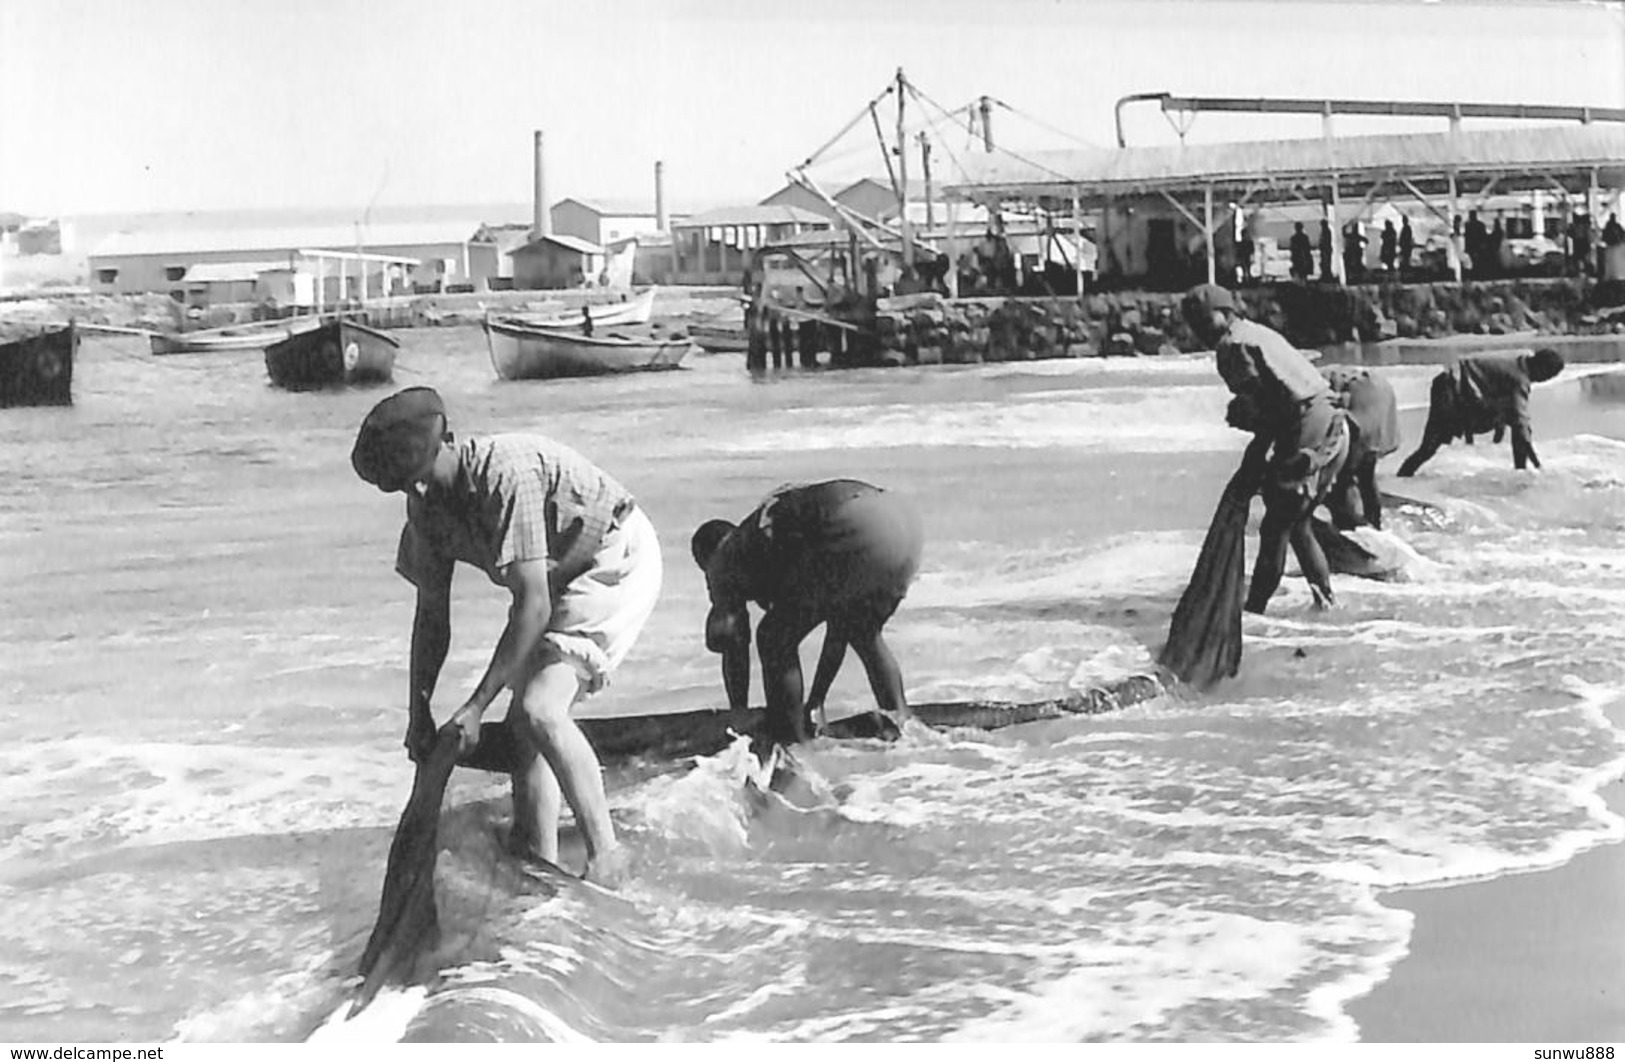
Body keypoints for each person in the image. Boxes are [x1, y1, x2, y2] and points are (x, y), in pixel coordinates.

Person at [350, 386, 663, 883]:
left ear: (448, 443)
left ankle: (609, 859)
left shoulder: (505, 474)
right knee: (523, 726)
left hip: (613, 556)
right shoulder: (423, 509)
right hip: (559, 574)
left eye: (425, 477)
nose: (420, 493)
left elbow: (532, 604)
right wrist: (419, 711)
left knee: (540, 710)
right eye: (407, 486)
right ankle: (540, 862)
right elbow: (431, 615)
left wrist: (475, 707)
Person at [692, 479, 923, 755]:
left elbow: (731, 640)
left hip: (851, 518)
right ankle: (906, 729)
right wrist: (817, 699)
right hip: (902, 522)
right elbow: (839, 623)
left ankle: (790, 744)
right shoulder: (773, 534)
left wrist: (737, 716)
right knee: (863, 632)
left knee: (773, 637)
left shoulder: (724, 555)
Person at [1181, 284, 1348, 614]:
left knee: (1275, 527)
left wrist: (1253, 460)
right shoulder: (1255, 332)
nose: (1199, 328)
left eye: (1204, 319)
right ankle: (1326, 603)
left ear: (1227, 313)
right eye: (1193, 321)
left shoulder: (1233, 345)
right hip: (1331, 424)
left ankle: (1254, 612)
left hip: (1310, 429)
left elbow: (1269, 408)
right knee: (1296, 523)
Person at [1397, 349, 1566, 477]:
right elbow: (1521, 426)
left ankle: (1519, 470)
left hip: (1456, 387)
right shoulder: (1519, 379)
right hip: (1449, 389)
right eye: (1548, 376)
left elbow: (1519, 422)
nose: (1545, 380)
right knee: (1428, 447)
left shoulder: (1518, 359)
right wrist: (1538, 466)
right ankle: (1401, 478)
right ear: (1542, 370)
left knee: (1509, 416)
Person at [1320, 365, 1401, 530]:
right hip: (1380, 390)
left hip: (1362, 397)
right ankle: (1374, 524)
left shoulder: (1310, 383)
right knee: (1366, 471)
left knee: (1343, 477)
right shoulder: (1311, 375)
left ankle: (1347, 526)